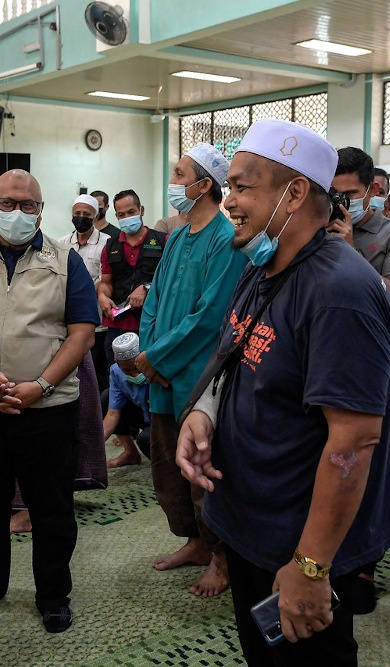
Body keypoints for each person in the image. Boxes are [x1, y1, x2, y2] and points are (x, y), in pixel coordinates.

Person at [177, 119, 390, 665]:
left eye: (241, 187)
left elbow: (353, 443)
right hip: (253, 521)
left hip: (302, 538)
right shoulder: (262, 264)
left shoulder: (339, 292)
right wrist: (204, 416)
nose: (228, 200)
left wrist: (311, 565)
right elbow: (234, 351)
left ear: (295, 191)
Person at [0, 169, 99, 634]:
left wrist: (40, 386)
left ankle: (52, 594)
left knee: (51, 508)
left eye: (28, 206)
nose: (17, 213)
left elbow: (81, 333)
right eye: (8, 204)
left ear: (41, 210)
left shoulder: (66, 260)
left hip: (47, 407)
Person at [137, 142, 248, 597]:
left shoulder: (226, 240)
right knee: (167, 469)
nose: (174, 182)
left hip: (196, 379)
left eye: (180, 174)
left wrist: (158, 358)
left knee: (205, 472)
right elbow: (154, 301)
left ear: (205, 185)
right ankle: (195, 543)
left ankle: (222, 558)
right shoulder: (179, 236)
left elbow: (210, 316)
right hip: (161, 377)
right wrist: (147, 355)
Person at [330, 147, 390, 321]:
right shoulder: (319, 228)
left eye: (350, 194)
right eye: (335, 195)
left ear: (373, 190)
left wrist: (350, 255)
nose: (342, 202)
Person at [97, 189, 165, 365]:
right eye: (121, 215)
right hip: (117, 327)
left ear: (141, 210)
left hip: (152, 325)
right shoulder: (110, 246)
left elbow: (172, 281)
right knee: (117, 378)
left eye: (131, 212)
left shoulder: (162, 241)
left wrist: (147, 287)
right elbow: (106, 283)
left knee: (148, 378)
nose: (127, 217)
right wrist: (102, 296)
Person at [60, 194, 112, 391]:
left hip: (96, 322)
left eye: (87, 214)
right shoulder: (62, 243)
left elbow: (106, 279)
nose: (81, 217)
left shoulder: (108, 243)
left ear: (96, 215)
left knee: (98, 373)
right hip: (68, 320)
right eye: (77, 213)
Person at [104, 332, 150, 468]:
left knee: (145, 439)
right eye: (127, 370)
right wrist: (93, 450)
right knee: (105, 398)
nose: (134, 374)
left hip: (159, 416)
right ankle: (130, 452)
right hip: (140, 413)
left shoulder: (154, 367)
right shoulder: (116, 372)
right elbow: (112, 415)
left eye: (137, 368)